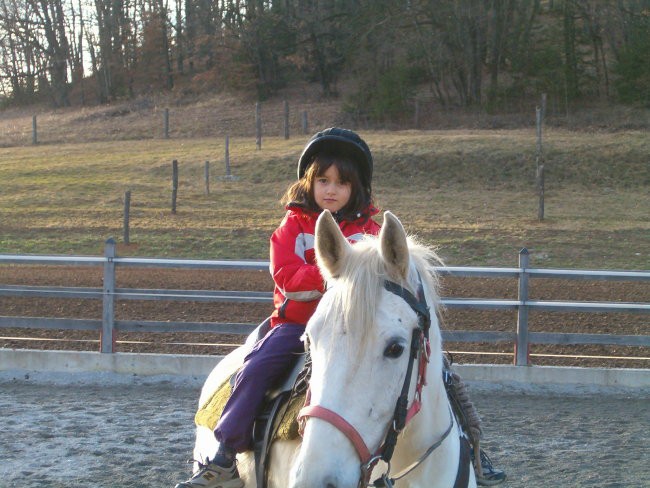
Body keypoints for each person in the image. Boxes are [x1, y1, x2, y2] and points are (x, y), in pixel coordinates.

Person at [175, 127, 506, 488]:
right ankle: (226, 453)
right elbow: (284, 273)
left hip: (358, 326)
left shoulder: (367, 229)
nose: (331, 190)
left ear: (356, 189)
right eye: (323, 180)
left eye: (342, 183)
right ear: (309, 183)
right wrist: (337, 278)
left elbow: (383, 281)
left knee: (438, 370)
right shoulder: (292, 226)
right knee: (257, 367)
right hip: (296, 323)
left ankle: (471, 448)